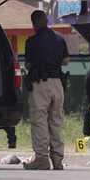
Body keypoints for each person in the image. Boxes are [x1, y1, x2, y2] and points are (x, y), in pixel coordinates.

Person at [23, 10, 69, 170]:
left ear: (34, 23)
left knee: (39, 120)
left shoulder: (32, 41)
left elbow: (28, 64)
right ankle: (58, 160)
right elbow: (66, 61)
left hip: (40, 84)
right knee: (56, 121)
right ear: (47, 21)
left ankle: (42, 158)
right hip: (57, 83)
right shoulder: (59, 39)